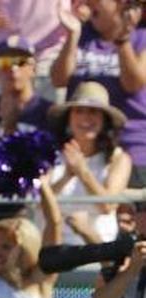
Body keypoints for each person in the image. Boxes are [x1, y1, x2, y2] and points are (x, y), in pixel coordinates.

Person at [0, 36, 55, 245]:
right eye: (5, 63)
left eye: (20, 62)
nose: (13, 69)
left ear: (33, 68)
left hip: (28, 201)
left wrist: (10, 129)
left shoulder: (49, 113)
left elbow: (48, 163)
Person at [52, 0, 146, 177]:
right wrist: (73, 34)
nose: (89, 3)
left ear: (121, 4)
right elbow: (59, 79)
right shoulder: (83, 33)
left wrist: (123, 40)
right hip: (84, 148)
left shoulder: (141, 37)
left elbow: (134, 84)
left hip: (131, 143)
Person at [46, 81, 132, 245]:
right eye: (79, 111)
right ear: (69, 118)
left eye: (93, 112)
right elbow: (37, 204)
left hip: (98, 250)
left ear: (104, 120)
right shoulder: (50, 154)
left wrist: (82, 172)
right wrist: (66, 177)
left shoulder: (119, 159)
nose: (86, 118)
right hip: (52, 248)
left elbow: (108, 206)